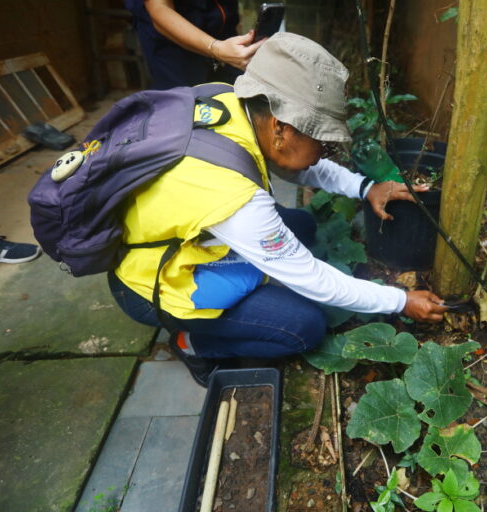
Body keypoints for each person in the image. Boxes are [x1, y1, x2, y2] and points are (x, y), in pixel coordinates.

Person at [107, 32, 448, 385]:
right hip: (153, 283)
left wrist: (365, 187)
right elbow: (314, 280)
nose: (324, 151)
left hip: (173, 239)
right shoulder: (236, 197)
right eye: (322, 140)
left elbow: (298, 164)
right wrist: (399, 300)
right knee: (304, 327)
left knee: (301, 225)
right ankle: (191, 341)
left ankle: (259, 281)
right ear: (281, 129)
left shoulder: (233, 103)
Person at [125, 0, 265, 89]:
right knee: (189, 112)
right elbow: (159, 9)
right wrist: (215, 48)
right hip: (175, 45)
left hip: (224, 32)